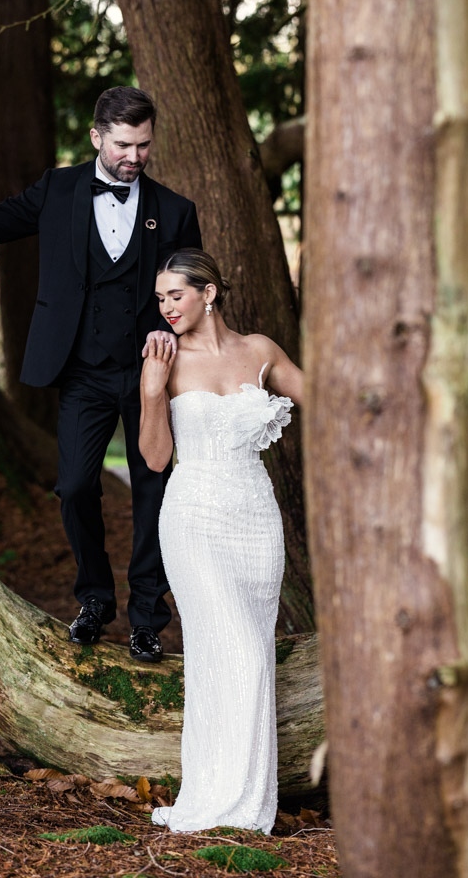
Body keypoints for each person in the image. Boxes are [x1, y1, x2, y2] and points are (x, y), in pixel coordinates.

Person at [0, 87, 201, 663]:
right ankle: (95, 599)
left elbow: (191, 292)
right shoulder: (60, 188)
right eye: (124, 144)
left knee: (154, 492)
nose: (135, 156)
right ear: (97, 137)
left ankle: (147, 618)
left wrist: (173, 328)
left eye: (144, 145)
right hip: (83, 372)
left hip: (151, 373)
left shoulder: (173, 210)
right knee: (73, 487)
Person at [138, 248, 302, 834]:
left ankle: (247, 802)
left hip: (256, 522)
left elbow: (329, 403)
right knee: (230, 650)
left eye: (174, 296)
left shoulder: (259, 351)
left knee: (251, 655)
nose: (165, 308)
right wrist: (154, 391)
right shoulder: (163, 358)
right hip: (195, 519)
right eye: (159, 299)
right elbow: (156, 458)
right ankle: (215, 798)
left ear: (208, 294)